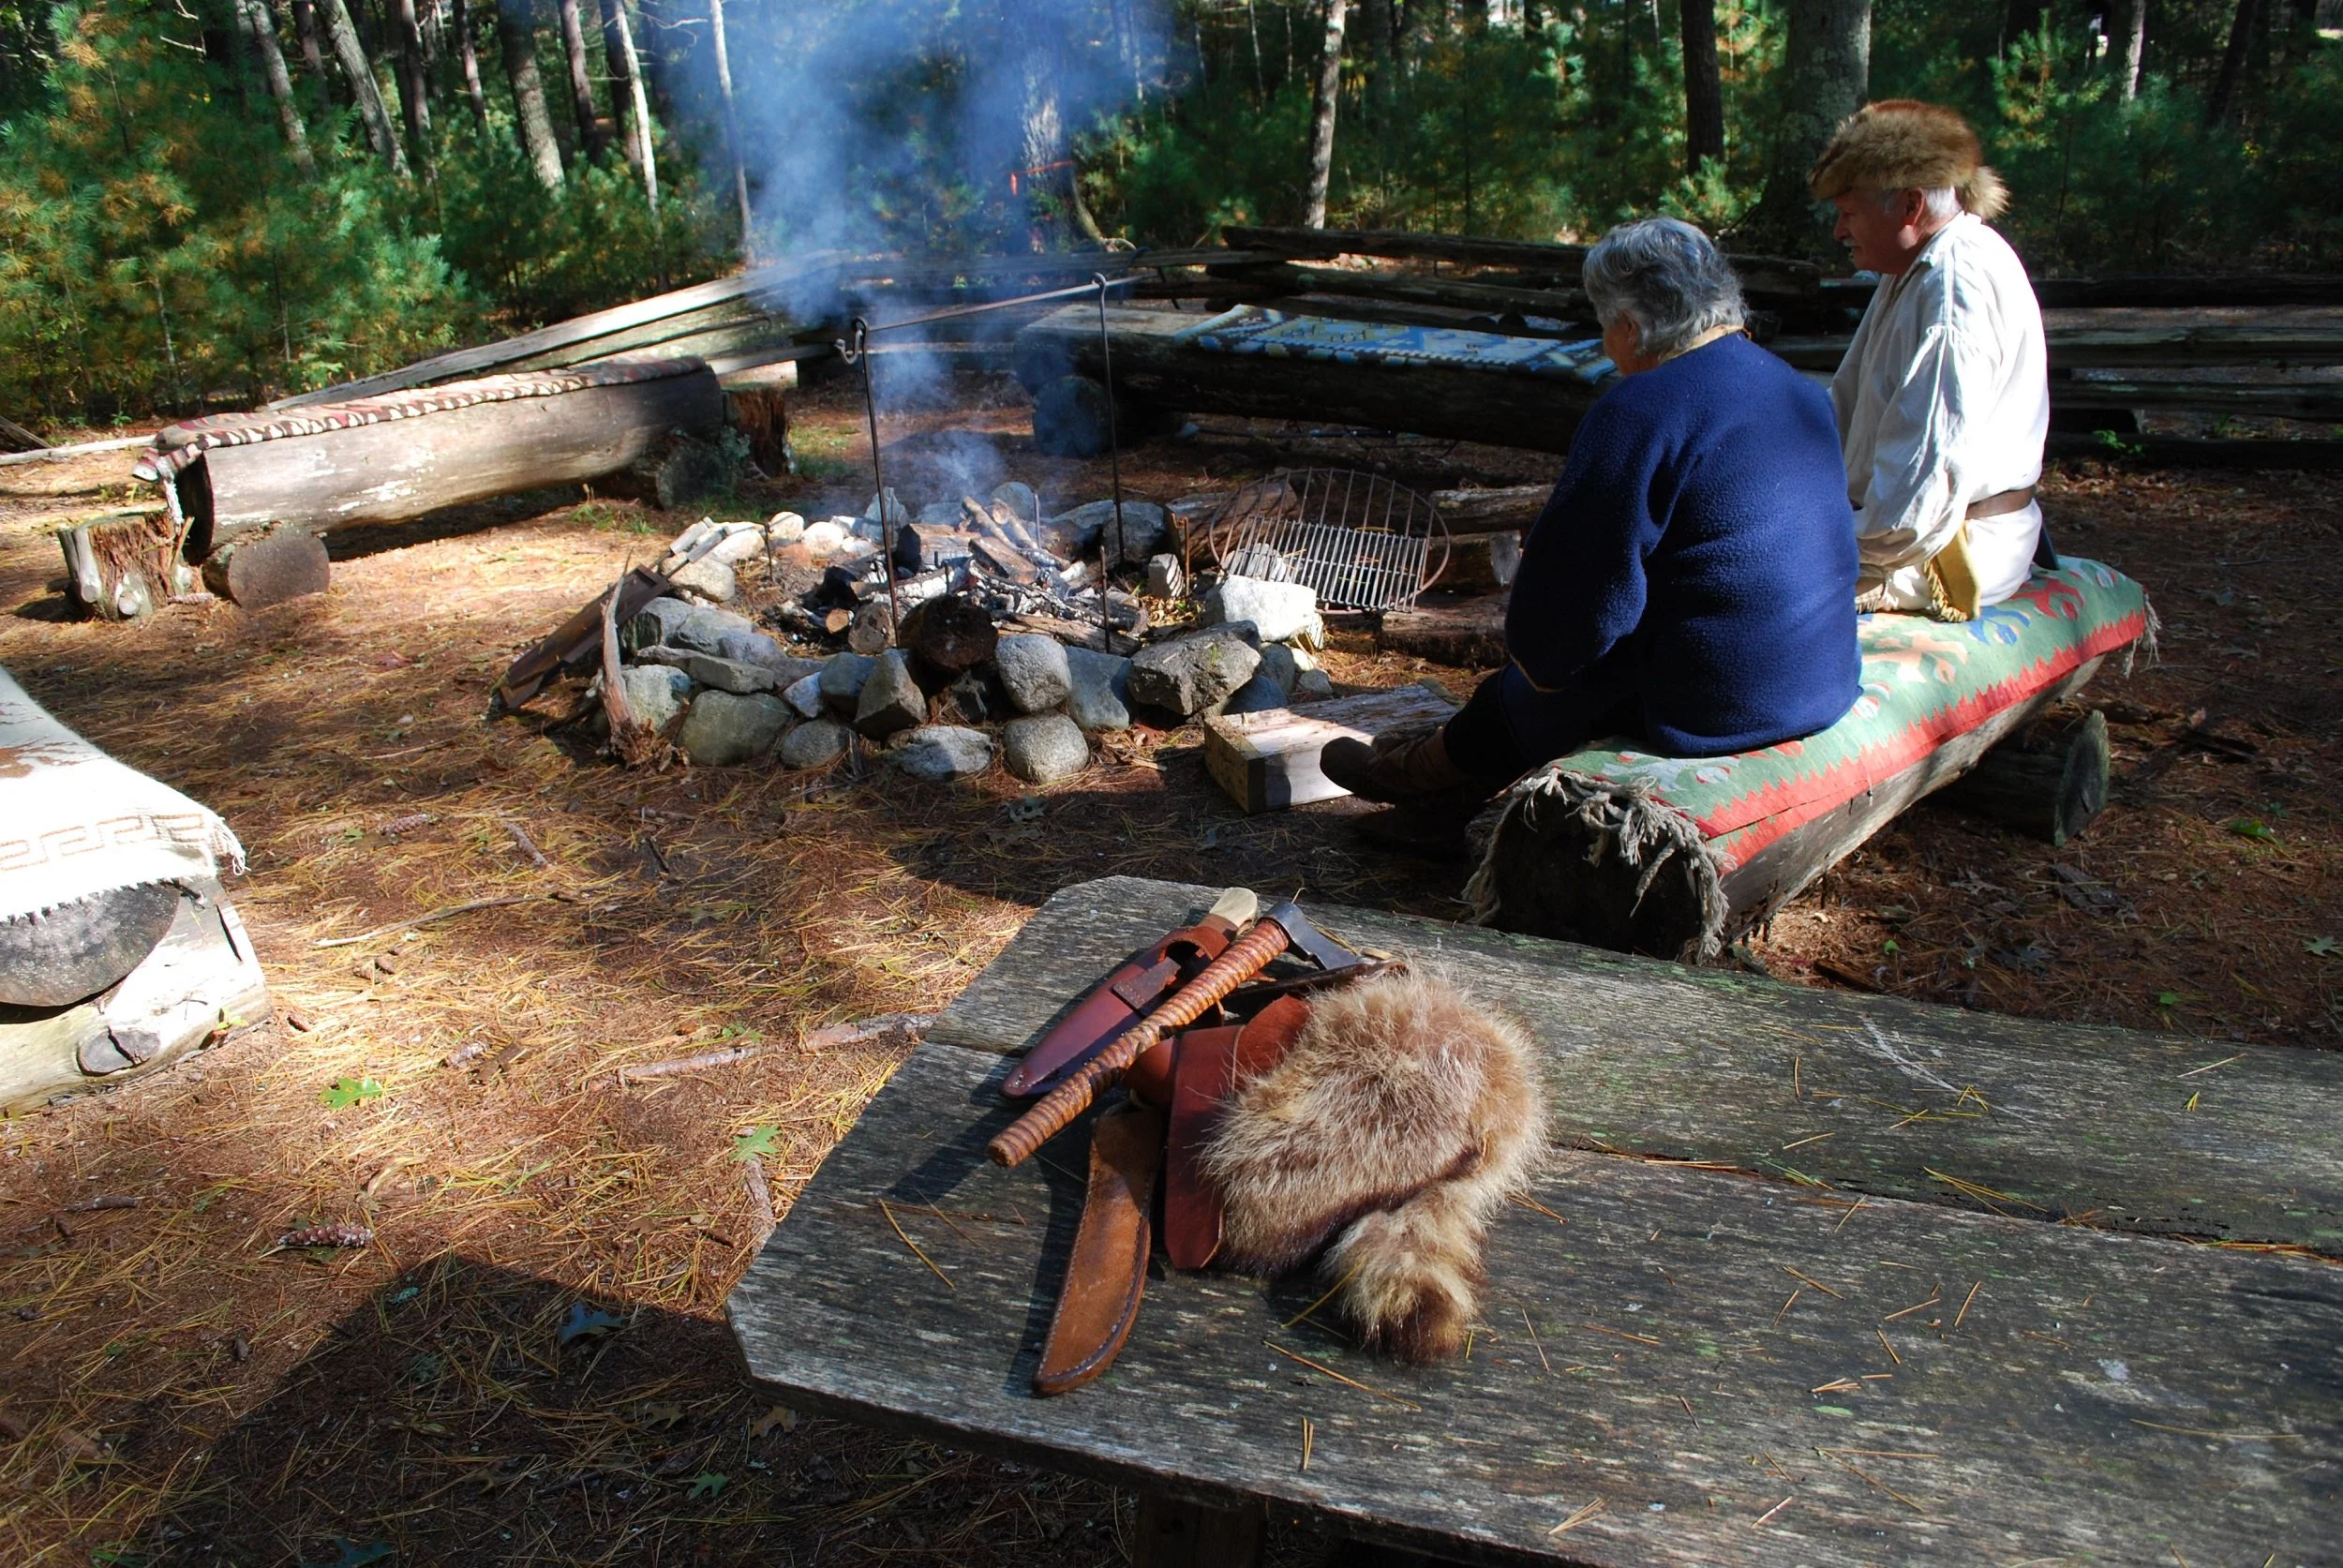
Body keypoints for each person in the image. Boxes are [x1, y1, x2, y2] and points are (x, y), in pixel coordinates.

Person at [1321, 217, 1860, 847]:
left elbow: (1573, 609)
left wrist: (1532, 670)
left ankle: (1429, 777)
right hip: (1820, 673)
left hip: (1721, 701)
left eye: (1606, 326)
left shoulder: (1641, 408)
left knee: (1565, 673)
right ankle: (1445, 787)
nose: (1607, 344)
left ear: (1630, 324)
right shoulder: (1797, 389)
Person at [1809, 99, 2051, 619]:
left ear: (1911, 207)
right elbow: (1846, 406)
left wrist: (1800, 543)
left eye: (1849, 214)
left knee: (1734, 588)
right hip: (1903, 535)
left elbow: (1910, 514)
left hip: (1945, 551)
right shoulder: (1912, 267)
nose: (1839, 232)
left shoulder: (1953, 287)